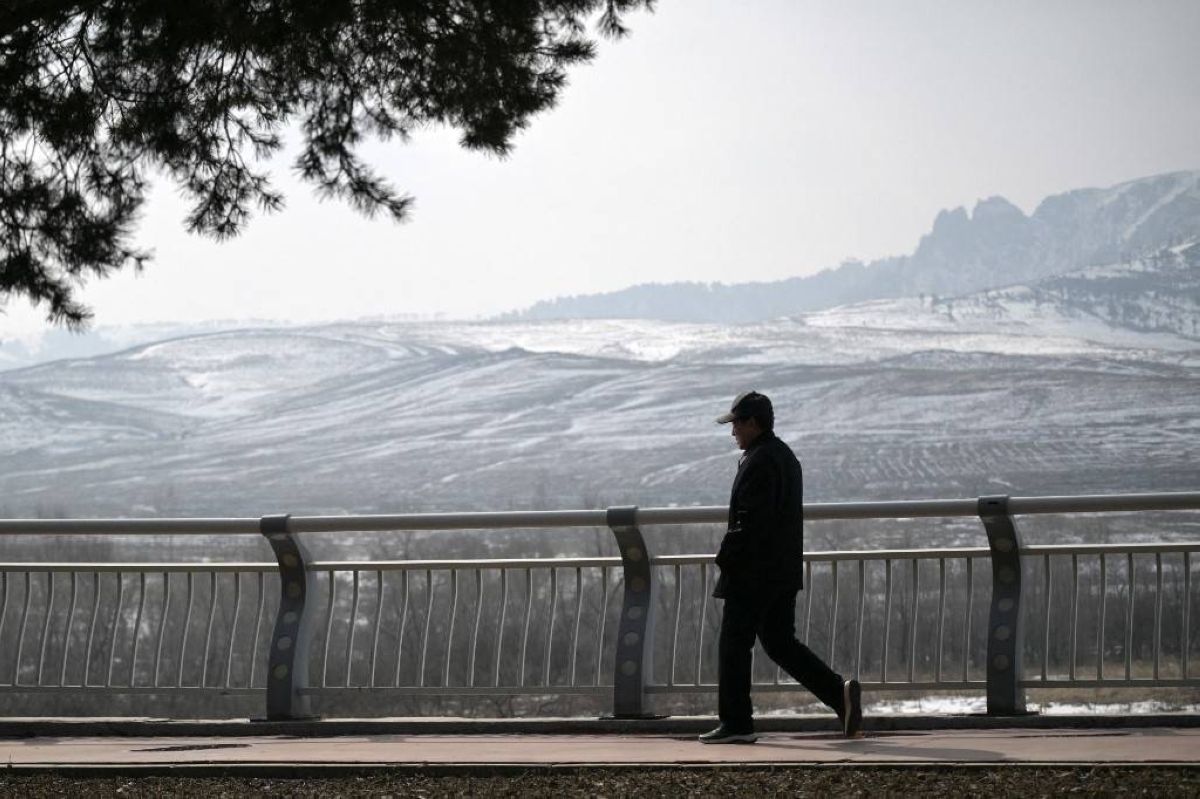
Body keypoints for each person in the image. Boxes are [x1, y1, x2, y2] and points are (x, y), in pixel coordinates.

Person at [699, 390, 863, 744]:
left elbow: (750, 522)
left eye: (737, 424)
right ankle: (839, 694)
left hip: (753, 573)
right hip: (780, 571)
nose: (733, 432)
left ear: (753, 423)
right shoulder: (783, 456)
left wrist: (726, 556)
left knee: (733, 645)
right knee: (779, 643)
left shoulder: (760, 461)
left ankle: (737, 724)